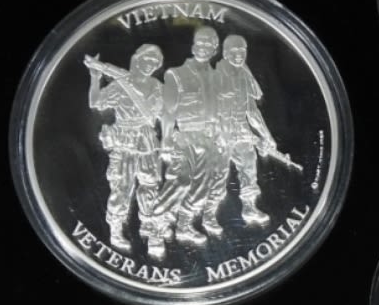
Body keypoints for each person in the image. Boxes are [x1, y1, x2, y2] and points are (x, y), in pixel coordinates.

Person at [85, 43, 166, 255]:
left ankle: (149, 224)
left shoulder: (157, 86)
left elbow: (162, 114)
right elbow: (95, 103)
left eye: (155, 62)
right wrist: (95, 78)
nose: (150, 64)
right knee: (122, 186)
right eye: (147, 59)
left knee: (150, 184)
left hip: (147, 140)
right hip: (124, 140)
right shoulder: (120, 84)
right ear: (137, 60)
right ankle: (115, 230)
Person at [157, 26, 224, 247]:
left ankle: (183, 227)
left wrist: (221, 135)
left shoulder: (217, 77)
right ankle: (156, 225)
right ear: (193, 45)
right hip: (185, 137)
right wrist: (166, 140)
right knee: (180, 182)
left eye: (208, 43)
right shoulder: (176, 74)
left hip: (209, 139)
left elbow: (221, 109)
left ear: (215, 49)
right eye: (200, 42)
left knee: (202, 186)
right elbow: (168, 111)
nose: (203, 47)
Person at [212, 34, 278, 232]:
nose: (239, 54)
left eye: (242, 50)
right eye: (234, 51)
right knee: (217, 175)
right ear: (225, 53)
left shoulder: (244, 77)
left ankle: (249, 208)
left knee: (249, 167)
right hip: (219, 131)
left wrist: (267, 137)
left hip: (241, 129)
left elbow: (252, 111)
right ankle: (207, 216)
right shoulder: (215, 76)